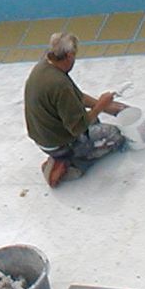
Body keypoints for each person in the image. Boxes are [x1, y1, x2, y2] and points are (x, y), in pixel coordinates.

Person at [25, 32, 127, 187]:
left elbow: (77, 96)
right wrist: (100, 105)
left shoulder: (46, 66)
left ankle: (66, 155)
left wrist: (106, 107)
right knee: (115, 136)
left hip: (44, 135)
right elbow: (78, 127)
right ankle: (71, 164)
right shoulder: (60, 84)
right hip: (59, 143)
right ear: (69, 55)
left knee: (95, 120)